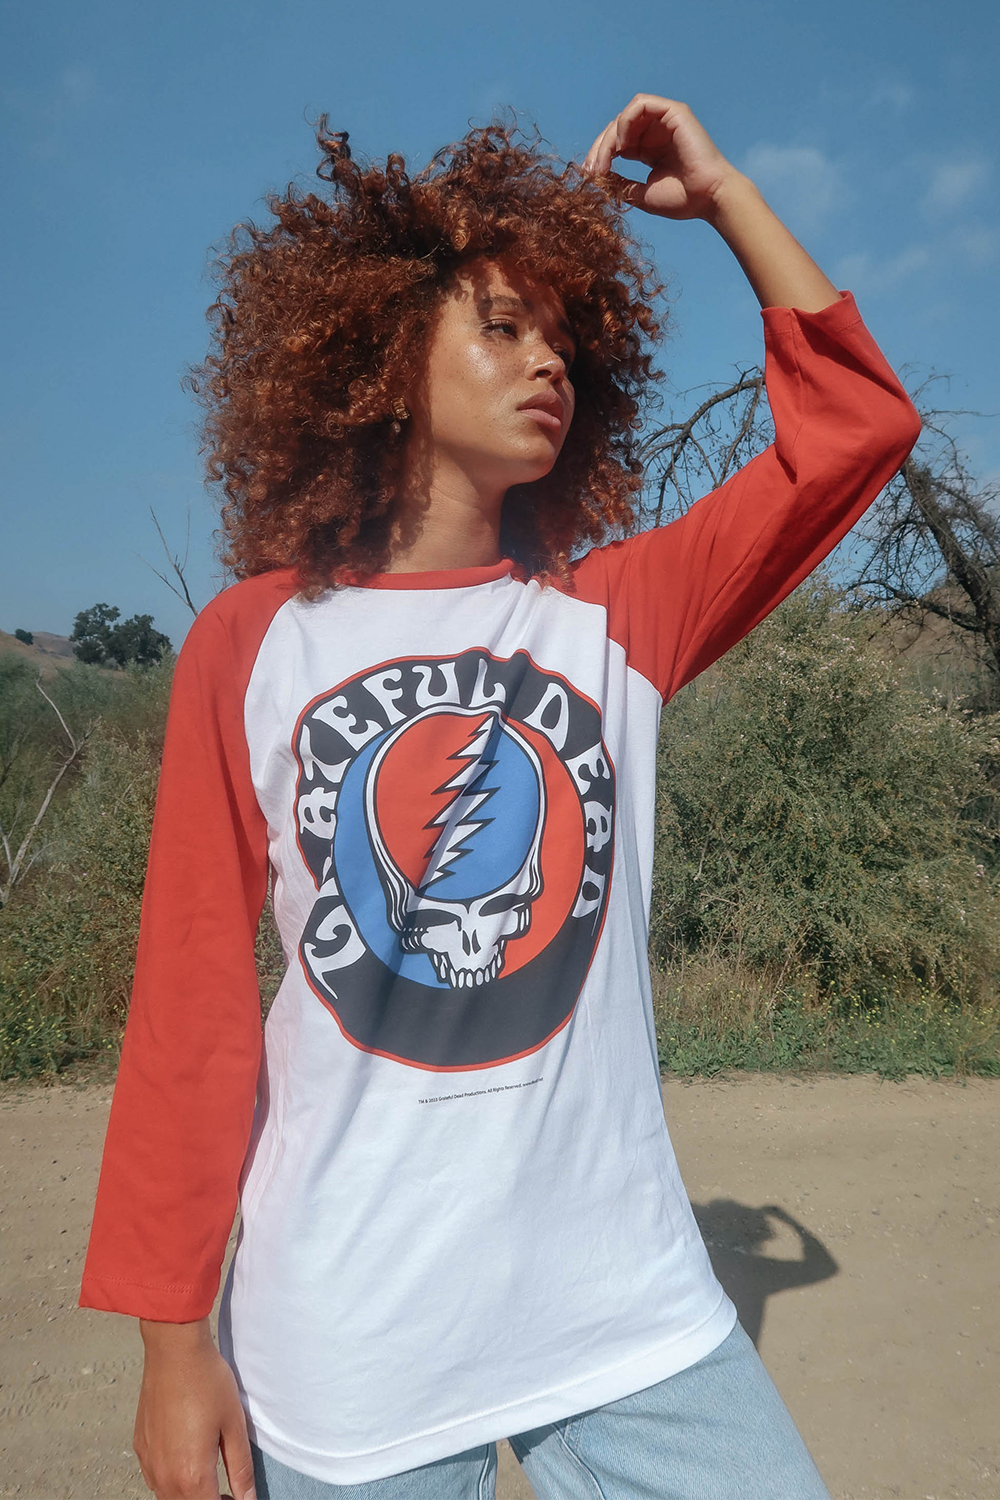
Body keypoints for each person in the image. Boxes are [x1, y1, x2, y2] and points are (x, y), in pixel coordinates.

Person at [79, 94, 920, 1500]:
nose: (548, 364)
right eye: (504, 326)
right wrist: (174, 1344)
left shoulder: (615, 615)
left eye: (566, 345)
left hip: (625, 1313)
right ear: (383, 352)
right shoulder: (253, 642)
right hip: (353, 1346)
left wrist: (725, 196)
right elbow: (190, 1004)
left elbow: (855, 428)